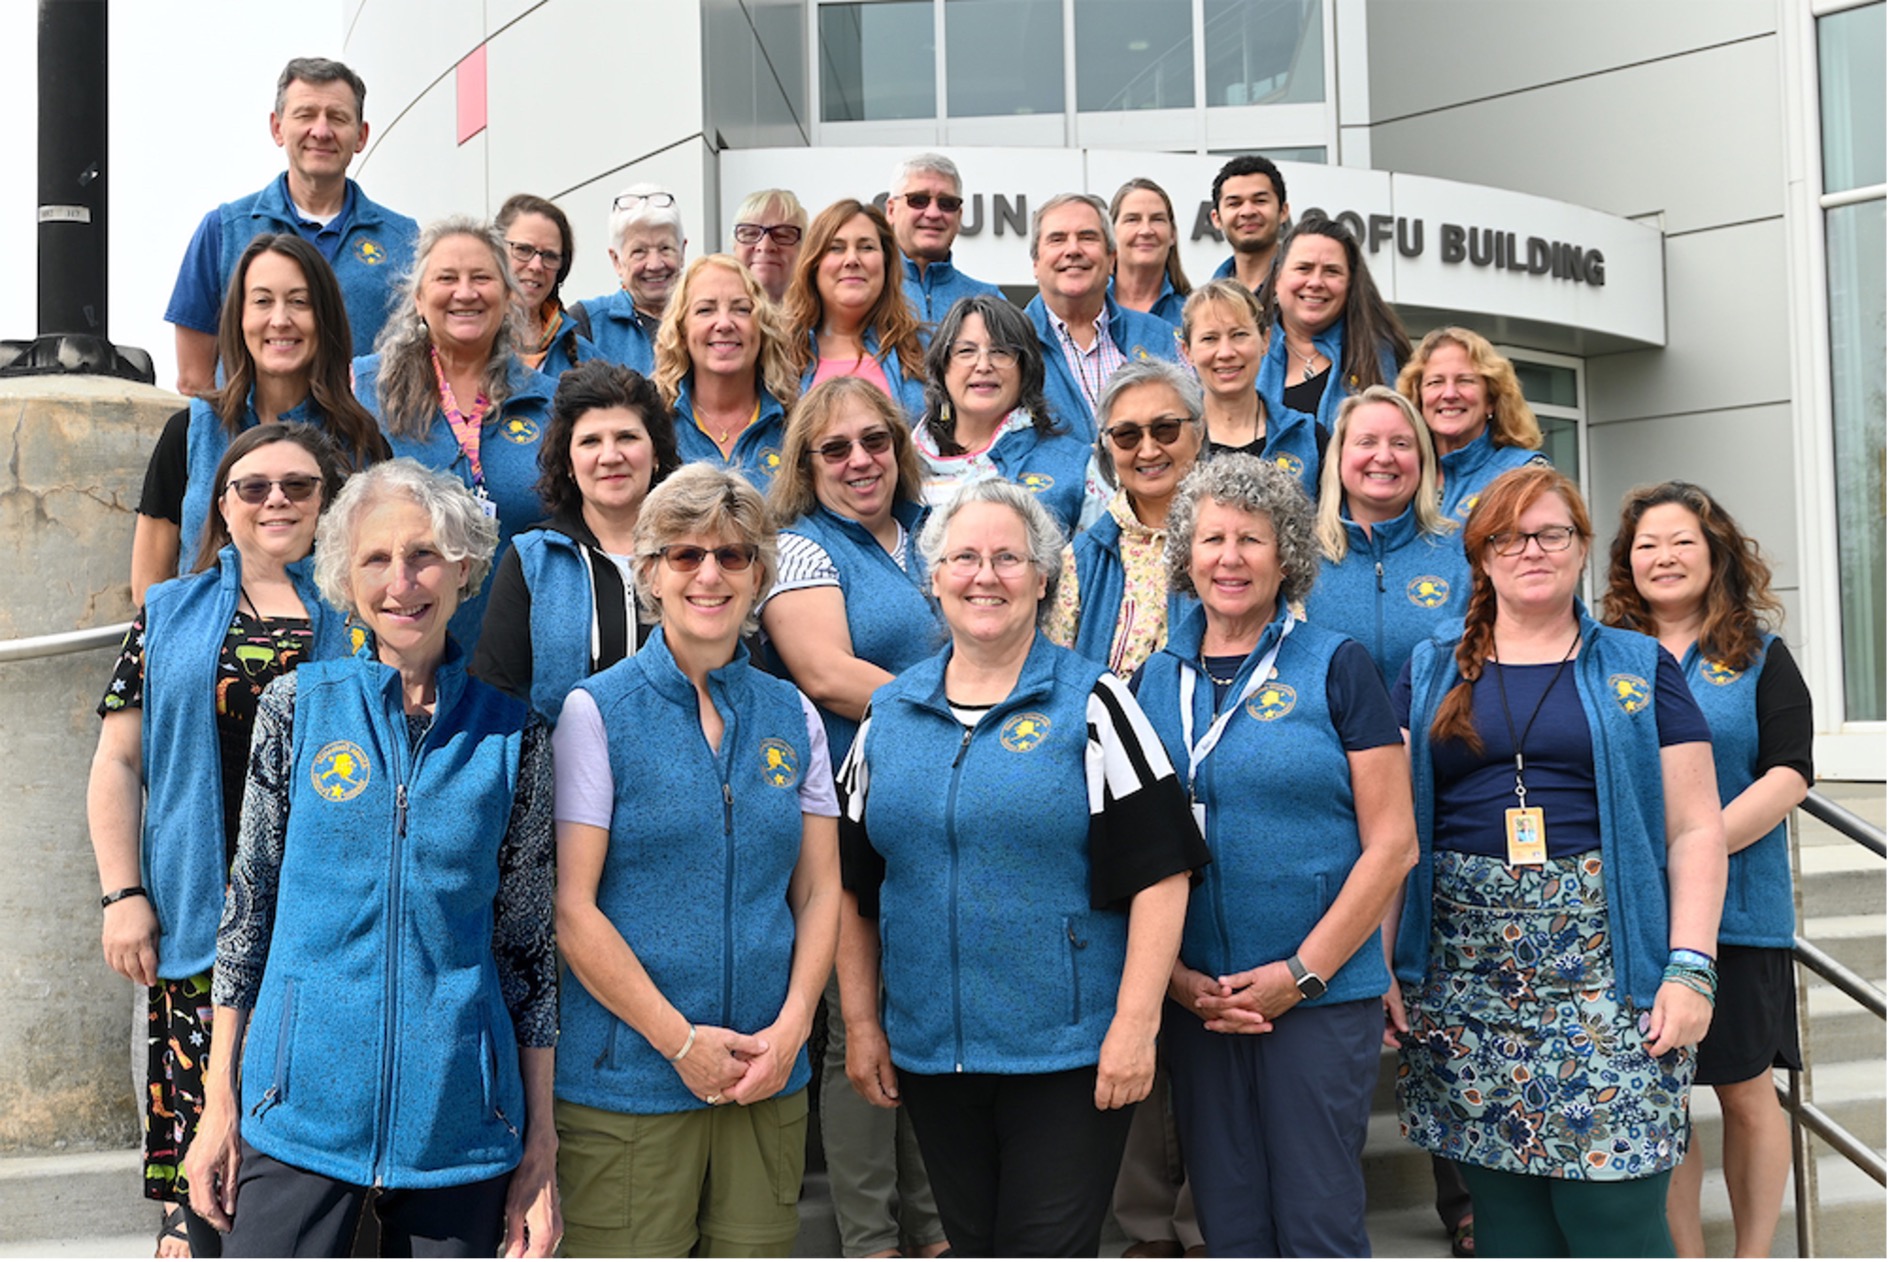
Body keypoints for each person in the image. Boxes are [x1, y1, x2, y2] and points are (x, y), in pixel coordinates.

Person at [184, 459, 560, 1258]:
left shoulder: (514, 737)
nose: (402, 582)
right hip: (298, 1112)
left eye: (424, 555)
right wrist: (220, 1103)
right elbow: (245, 920)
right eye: (376, 560)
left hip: (460, 1124)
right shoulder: (297, 709)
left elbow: (527, 955)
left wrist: (541, 1143)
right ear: (344, 581)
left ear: (463, 567)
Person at [835, 479, 1207, 1257]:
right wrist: (865, 1024)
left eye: (1009, 558)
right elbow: (853, 889)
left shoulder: (1096, 704)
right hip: (934, 1050)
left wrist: (1135, 1029)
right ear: (932, 578)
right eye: (964, 557)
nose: (985, 575)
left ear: (1043, 578)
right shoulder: (887, 716)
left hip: (1066, 1055)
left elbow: (1162, 875)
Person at [1389, 465, 1726, 1258]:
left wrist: (1690, 967)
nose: (1530, 550)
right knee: (1509, 1224)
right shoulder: (1429, 667)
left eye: (1551, 534)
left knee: (1613, 1219)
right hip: (1465, 983)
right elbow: (1392, 832)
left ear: (1580, 549)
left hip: (1607, 973)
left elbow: (1695, 829)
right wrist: (1383, 969)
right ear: (1480, 555)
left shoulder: (1640, 667)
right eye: (1508, 536)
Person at [550, 464, 840, 1257]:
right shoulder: (596, 712)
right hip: (628, 1087)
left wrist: (790, 1033)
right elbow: (571, 909)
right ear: (649, 571)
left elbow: (819, 892)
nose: (709, 573)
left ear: (758, 576)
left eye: (733, 555)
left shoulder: (793, 714)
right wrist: (680, 1043)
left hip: (764, 1075)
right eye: (684, 555)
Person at [1135, 454, 1417, 1256]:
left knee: (1316, 1221)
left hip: (1318, 999)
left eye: (1251, 539)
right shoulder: (1155, 677)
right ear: (1185, 554)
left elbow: (1392, 842)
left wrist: (1302, 974)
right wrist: (1180, 985)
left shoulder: (1337, 664)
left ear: (1285, 553)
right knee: (1228, 1223)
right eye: (1212, 538)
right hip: (1200, 999)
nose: (1230, 557)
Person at [88, 424, 350, 1259]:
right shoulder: (168, 613)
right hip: (202, 907)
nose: (276, 500)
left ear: (328, 503)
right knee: (204, 1144)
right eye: (254, 486)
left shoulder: (366, 614)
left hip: (328, 918)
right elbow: (119, 761)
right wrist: (123, 894)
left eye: (298, 486)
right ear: (223, 505)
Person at [759, 377, 948, 1260]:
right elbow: (827, 672)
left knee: (921, 1018)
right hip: (846, 817)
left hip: (939, 808)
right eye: (834, 449)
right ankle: (871, 1240)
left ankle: (938, 1230)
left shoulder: (930, 534)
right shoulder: (798, 547)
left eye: (874, 440)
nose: (859, 461)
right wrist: (967, 699)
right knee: (854, 1030)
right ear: (805, 463)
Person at [1602, 482, 1814, 1259]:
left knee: (1746, 1093)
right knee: (1664, 1104)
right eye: (1646, 545)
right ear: (1626, 562)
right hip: (1633, 917)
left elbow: (1789, 772)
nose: (1663, 557)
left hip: (1738, 916)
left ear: (1714, 551)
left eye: (1680, 541)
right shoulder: (1604, 652)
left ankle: (1753, 1254)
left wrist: (1693, 847)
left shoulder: (1756, 653)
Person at [133, 233, 388, 602]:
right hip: (208, 655)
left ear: (324, 317)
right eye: (263, 301)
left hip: (327, 655)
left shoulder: (362, 443)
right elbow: (148, 589)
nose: (280, 320)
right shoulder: (188, 434)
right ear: (240, 317)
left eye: (299, 302)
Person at [353, 216, 556, 649]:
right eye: (447, 278)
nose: (465, 293)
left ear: (507, 296)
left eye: (481, 277)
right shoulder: (361, 391)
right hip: (390, 657)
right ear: (419, 297)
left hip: (516, 663)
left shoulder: (551, 404)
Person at [165, 58, 416, 397]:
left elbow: (419, 365)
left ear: (361, 135)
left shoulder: (404, 241)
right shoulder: (223, 231)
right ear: (277, 127)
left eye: (338, 118)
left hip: (361, 446)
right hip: (253, 446)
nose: (321, 131)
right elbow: (195, 380)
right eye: (305, 115)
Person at [473, 361, 681, 722]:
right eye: (590, 441)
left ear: (657, 452)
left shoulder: (699, 553)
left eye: (627, 437)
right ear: (568, 462)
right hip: (564, 773)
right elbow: (494, 693)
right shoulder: (534, 559)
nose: (610, 456)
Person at [1047, 361, 1206, 678]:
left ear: (1198, 432)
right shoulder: (1081, 562)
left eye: (1166, 429)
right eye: (1127, 435)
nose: (1148, 451)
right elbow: (1058, 677)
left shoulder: (1243, 535)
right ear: (1107, 445)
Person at [1302, 387, 1468, 686]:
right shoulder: (1298, 556)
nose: (1384, 456)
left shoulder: (1462, 554)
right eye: (1366, 442)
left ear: (1421, 459)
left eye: (1401, 443)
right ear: (1339, 456)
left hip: (1434, 733)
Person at [915, 295, 1104, 537]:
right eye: (966, 351)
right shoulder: (900, 464)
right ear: (942, 368)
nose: (983, 365)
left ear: (1026, 369)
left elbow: (1099, 567)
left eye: (1000, 352)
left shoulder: (1079, 467)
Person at [1025, 193, 1183, 442]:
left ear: (1111, 259)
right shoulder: (1010, 345)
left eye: (1087, 238)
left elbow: (1190, 429)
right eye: (1057, 239)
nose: (1073, 250)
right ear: (1035, 263)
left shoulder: (1160, 337)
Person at [651, 254, 802, 488]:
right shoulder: (653, 422)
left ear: (762, 328)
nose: (724, 323)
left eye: (741, 309)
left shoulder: (797, 424)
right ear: (681, 331)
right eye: (705, 310)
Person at [1256, 215, 1411, 438]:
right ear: (1278, 277)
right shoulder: (1242, 349)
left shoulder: (1380, 357)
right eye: (1304, 268)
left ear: (1350, 283)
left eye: (1331, 271)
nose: (1316, 282)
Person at [784, 199, 928, 418]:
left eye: (866, 247)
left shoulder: (924, 349)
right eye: (836, 248)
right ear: (814, 264)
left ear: (887, 264)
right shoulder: (780, 352)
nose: (851, 260)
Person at [1182, 279, 1322, 496]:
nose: (1226, 352)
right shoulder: (1171, 438)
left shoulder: (1307, 436)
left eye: (1239, 335)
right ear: (1187, 352)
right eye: (1210, 338)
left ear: (1265, 341)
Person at [1398, 326, 1548, 524]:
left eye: (1465, 381)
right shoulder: (1401, 474)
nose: (1449, 394)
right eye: (1435, 382)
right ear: (1418, 400)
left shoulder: (1525, 473)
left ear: (1491, 400)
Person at [575, 185, 687, 375]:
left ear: (682, 252)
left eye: (665, 248)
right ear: (616, 260)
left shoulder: (708, 321)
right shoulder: (586, 323)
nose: (655, 264)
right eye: (639, 252)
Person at [884, 154, 1004, 326]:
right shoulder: (864, 294)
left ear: (959, 216)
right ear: (891, 210)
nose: (933, 213)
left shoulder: (991, 301)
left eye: (947, 203)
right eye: (918, 200)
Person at [496, 194, 599, 380]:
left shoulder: (587, 358)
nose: (536, 266)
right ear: (495, 251)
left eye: (550, 256)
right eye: (523, 249)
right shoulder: (464, 343)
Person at [1109, 178, 1191, 329]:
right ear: (1112, 233)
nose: (1146, 230)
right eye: (1132, 219)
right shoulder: (1090, 308)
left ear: (1172, 234)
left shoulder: (1194, 313)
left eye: (1157, 219)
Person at [1208, 155, 1290, 295]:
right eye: (1235, 203)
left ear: (1283, 211)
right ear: (1217, 219)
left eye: (1260, 201)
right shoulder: (1209, 302)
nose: (1247, 212)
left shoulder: (1305, 291)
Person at [731, 188, 807, 304]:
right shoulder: (711, 318)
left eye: (782, 235)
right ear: (734, 246)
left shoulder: (825, 318)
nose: (765, 246)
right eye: (751, 234)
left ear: (804, 249)